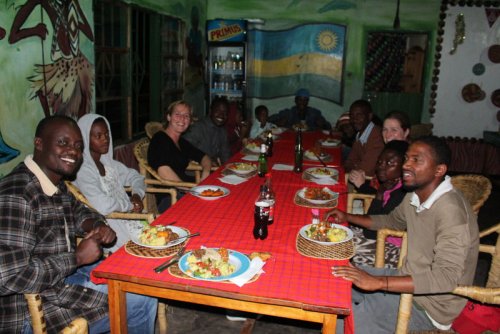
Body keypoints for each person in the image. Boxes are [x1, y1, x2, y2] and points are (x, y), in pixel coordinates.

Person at [0, 115, 156, 333]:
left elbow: (79, 211)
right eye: (63, 143)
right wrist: (78, 257)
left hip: (63, 279)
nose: (73, 151)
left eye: (78, 146)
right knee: (141, 300)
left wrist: (95, 224)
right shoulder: (17, 195)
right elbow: (8, 276)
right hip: (34, 310)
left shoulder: (54, 182)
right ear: (39, 143)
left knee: (138, 279)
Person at [327, 136, 479, 333]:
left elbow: (446, 277)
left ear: (439, 170)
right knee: (334, 277)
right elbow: (391, 221)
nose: (406, 164)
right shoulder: (415, 194)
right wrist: (347, 216)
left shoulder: (451, 212)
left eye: (417, 160)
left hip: (427, 307)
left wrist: (379, 282)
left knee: (336, 325)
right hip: (406, 277)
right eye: (407, 158)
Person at [74, 114, 146, 252]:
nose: (105, 139)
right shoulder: (83, 171)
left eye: (107, 134)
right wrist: (130, 205)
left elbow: (137, 178)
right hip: (111, 228)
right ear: (84, 139)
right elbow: (103, 205)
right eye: (98, 136)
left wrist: (137, 194)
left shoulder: (109, 165)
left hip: (131, 221)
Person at [149, 101, 212, 212]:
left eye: (186, 116)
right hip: (170, 197)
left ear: (190, 121)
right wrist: (189, 190)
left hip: (183, 190)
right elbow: (164, 171)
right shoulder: (159, 139)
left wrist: (205, 173)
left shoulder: (181, 142)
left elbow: (204, 157)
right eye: (177, 114)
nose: (182, 119)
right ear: (168, 117)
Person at [349, 110, 411, 190]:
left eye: (394, 130)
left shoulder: (406, 158)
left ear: (406, 132)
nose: (388, 135)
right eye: (385, 130)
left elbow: (387, 197)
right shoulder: (388, 150)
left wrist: (362, 185)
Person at [184, 96, 232, 164]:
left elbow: (226, 155)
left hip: (212, 170)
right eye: (218, 111)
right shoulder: (198, 127)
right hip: (195, 171)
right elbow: (183, 150)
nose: (221, 115)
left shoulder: (222, 131)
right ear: (210, 111)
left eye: (225, 113)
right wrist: (205, 160)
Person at [344, 99, 385, 177]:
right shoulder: (360, 134)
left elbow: (366, 170)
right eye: (352, 116)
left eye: (359, 115)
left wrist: (354, 166)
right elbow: (350, 161)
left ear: (369, 116)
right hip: (358, 177)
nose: (354, 119)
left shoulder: (378, 136)